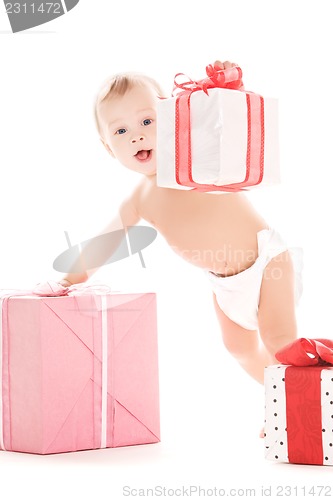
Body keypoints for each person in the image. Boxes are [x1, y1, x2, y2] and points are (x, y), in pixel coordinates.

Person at [58, 60, 303, 387]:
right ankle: (280, 402)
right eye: (121, 131)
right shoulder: (137, 200)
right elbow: (106, 243)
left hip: (266, 260)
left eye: (147, 120)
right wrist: (66, 284)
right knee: (240, 348)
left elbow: (226, 124)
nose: (137, 136)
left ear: (173, 119)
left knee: (278, 338)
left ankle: (309, 401)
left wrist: (229, 86)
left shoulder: (191, 161)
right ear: (107, 147)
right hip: (225, 284)